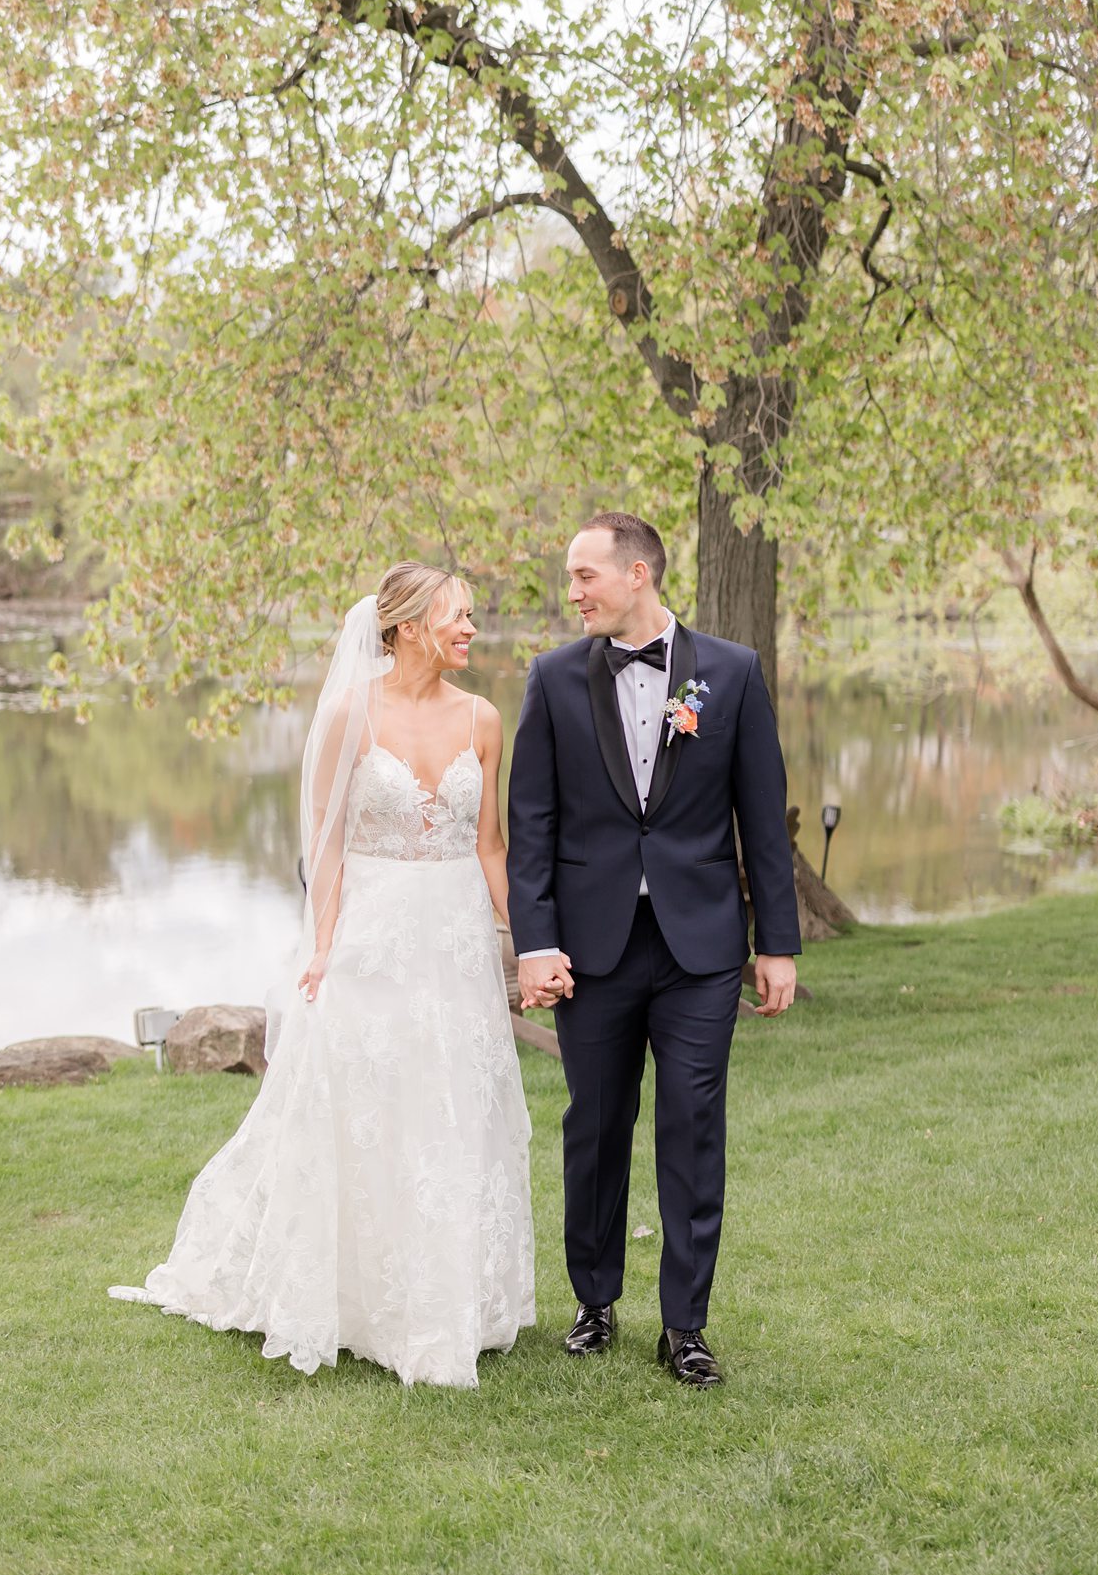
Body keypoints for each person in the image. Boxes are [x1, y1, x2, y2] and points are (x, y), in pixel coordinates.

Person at [112, 563, 534, 1388]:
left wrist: (530, 938)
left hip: (452, 939)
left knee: (452, 1103)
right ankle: (360, 1299)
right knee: (372, 1108)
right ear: (409, 625)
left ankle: (449, 1300)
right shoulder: (350, 712)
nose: (472, 631)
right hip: (374, 935)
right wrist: (323, 944)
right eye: (458, 616)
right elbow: (328, 841)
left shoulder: (484, 718)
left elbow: (489, 843)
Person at [506, 511, 799, 1389]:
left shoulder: (733, 675)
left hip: (701, 947)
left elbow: (763, 819)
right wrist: (537, 941)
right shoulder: (553, 679)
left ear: (637, 574)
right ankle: (594, 1303)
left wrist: (775, 944)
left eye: (584, 575)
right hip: (592, 949)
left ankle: (686, 1325)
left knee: (693, 1124)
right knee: (594, 1125)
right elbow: (531, 826)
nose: (573, 591)